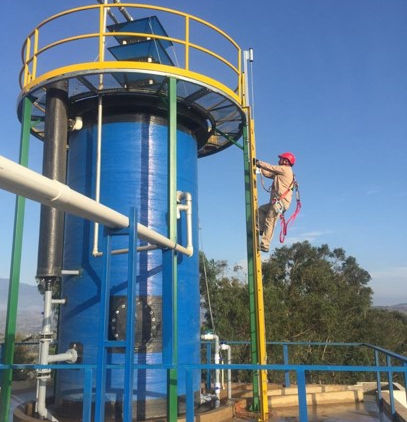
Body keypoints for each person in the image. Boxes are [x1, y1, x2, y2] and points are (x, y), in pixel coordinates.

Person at [256, 152, 296, 252]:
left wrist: (258, 162)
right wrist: (260, 168)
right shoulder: (280, 172)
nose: (279, 160)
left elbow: (271, 167)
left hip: (280, 202)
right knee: (261, 210)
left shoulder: (285, 169)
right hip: (277, 202)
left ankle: (265, 244)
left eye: (281, 159)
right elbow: (269, 173)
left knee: (270, 221)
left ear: (286, 161)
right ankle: (261, 230)